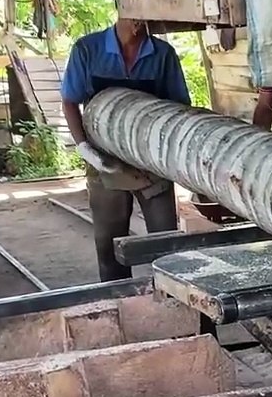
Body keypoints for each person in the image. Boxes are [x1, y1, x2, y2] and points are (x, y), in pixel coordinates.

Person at [62, 17, 190, 281]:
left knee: (166, 245)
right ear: (122, 10)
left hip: (153, 163)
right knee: (110, 247)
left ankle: (171, 304)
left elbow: (180, 108)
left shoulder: (162, 54)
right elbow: (69, 100)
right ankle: (117, 302)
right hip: (105, 161)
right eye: (135, 16)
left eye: (146, 19)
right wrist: (85, 148)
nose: (139, 23)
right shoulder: (88, 49)